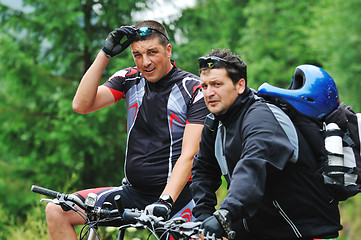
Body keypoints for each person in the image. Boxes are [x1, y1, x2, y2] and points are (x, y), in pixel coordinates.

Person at [45, 20, 209, 240]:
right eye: (137, 55)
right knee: (57, 210)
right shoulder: (129, 78)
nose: (146, 62)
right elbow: (81, 105)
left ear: (168, 50)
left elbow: (189, 154)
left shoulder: (194, 88)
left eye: (152, 52)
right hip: (131, 194)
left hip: (175, 200)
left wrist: (164, 201)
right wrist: (105, 54)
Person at [191, 48, 342, 240]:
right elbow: (203, 169)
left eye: (216, 84)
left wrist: (226, 213)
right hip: (260, 231)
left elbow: (254, 163)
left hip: (304, 232)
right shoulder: (216, 124)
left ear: (240, 85)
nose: (209, 92)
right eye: (204, 86)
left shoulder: (260, 117)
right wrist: (203, 214)